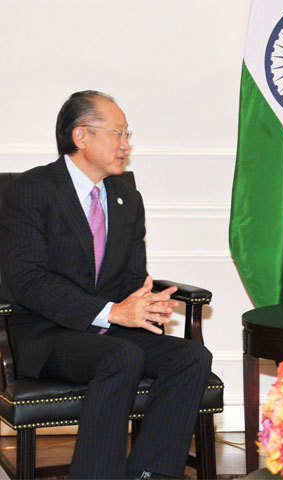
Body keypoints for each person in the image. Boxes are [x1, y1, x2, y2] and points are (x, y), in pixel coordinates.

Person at [0, 91, 213, 479]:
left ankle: (150, 473)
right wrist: (112, 312)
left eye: (126, 134)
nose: (126, 144)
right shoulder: (31, 191)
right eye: (118, 133)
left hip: (110, 332)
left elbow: (132, 278)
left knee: (191, 357)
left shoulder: (126, 197)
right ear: (81, 136)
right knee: (121, 357)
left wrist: (145, 304)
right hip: (48, 334)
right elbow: (28, 280)